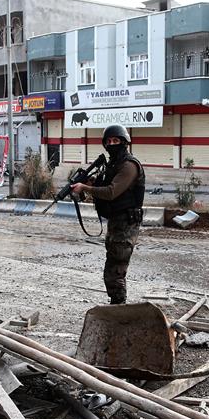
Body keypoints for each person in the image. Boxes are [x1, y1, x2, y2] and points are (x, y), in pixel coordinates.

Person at [71, 125, 145, 304]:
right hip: (116, 222)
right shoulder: (113, 164)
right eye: (109, 141)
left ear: (124, 142)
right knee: (112, 266)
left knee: (116, 270)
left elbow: (112, 192)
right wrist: (92, 182)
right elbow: (107, 184)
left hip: (126, 224)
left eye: (116, 140)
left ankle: (119, 308)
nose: (112, 144)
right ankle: (117, 305)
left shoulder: (129, 165)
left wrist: (86, 188)